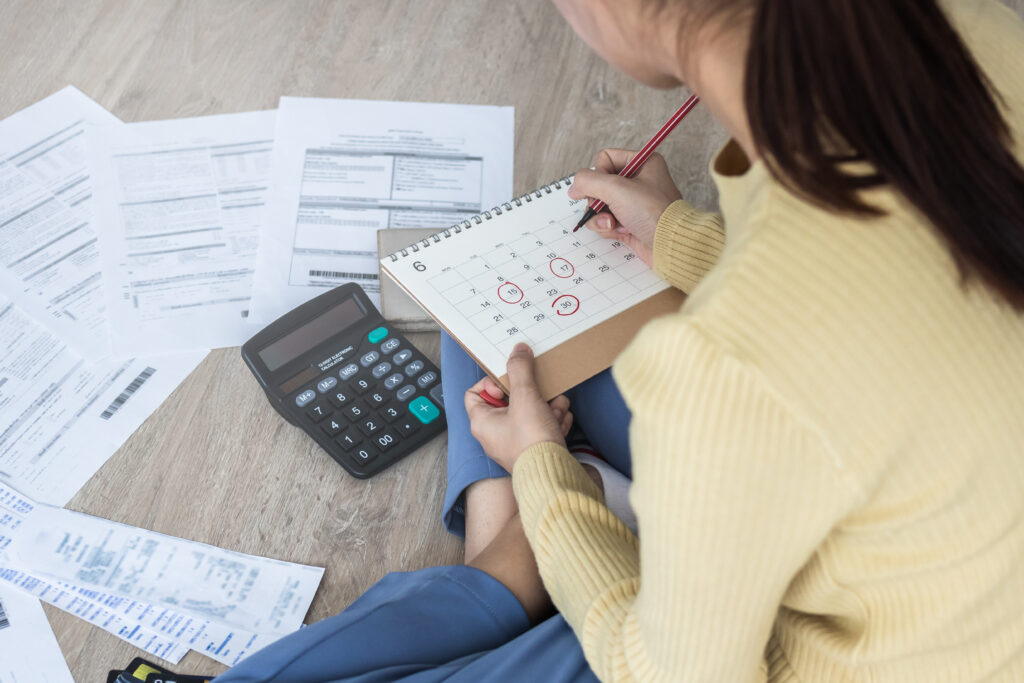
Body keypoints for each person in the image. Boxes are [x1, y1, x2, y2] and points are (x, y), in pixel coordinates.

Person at [215, 0, 1024, 680]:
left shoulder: (720, 370)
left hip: (858, 647)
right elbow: (875, 287)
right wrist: (679, 237)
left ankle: (521, 553)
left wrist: (544, 469)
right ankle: (519, 554)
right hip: (938, 527)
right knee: (496, 327)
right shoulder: (962, 26)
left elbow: (665, 672)